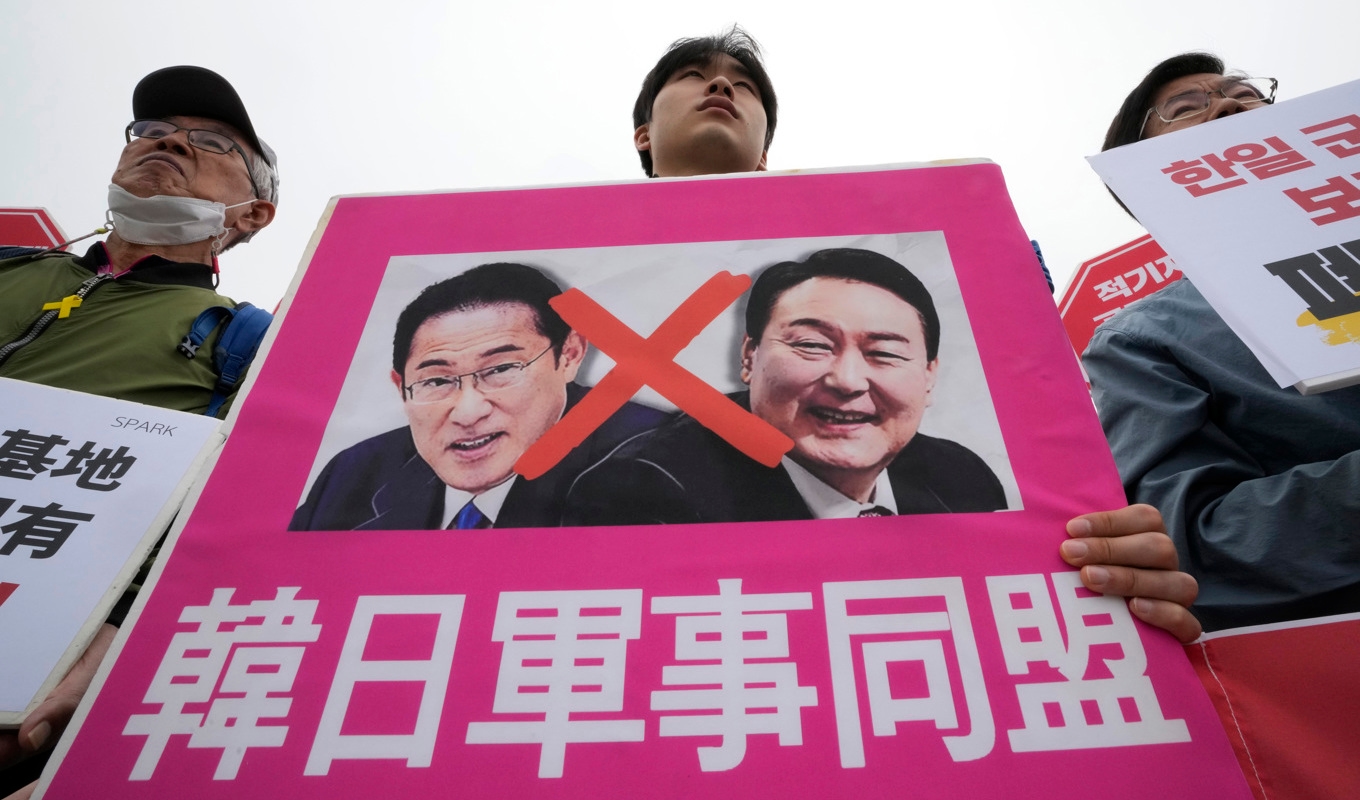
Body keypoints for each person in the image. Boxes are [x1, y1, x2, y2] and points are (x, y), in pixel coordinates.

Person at [628, 28, 1200, 644]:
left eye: (744, 86)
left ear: (931, 373)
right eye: (693, 76)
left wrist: (1091, 577)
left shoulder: (962, 475)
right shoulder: (647, 481)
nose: (720, 86)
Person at [0, 66, 279, 798]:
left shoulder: (249, 341)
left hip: (30, 650)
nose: (169, 143)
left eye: (210, 142)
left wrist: (123, 631)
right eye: (152, 131)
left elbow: (228, 514)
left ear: (254, 214)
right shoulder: (10, 271)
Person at [1085, 52, 1360, 632]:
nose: (1232, 104)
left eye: (1245, 93)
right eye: (1188, 107)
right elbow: (1193, 541)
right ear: (1140, 184)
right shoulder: (1146, 339)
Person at [564, 248, 1006, 524]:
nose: (847, 381)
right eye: (812, 345)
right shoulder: (642, 491)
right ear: (749, 357)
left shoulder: (961, 479)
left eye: (884, 353)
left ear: (929, 376)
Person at [290, 263, 666, 531]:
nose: (468, 413)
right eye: (437, 381)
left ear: (569, 356)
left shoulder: (663, 463)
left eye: (501, 370)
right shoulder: (351, 477)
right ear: (400, 387)